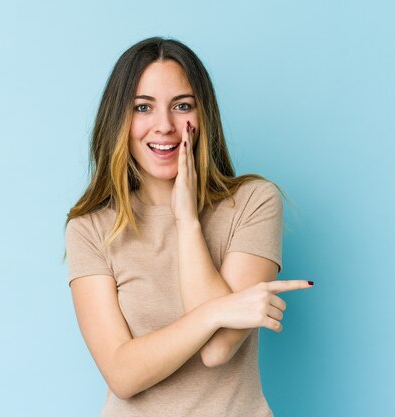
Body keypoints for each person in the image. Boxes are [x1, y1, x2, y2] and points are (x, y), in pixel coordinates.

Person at [63, 36, 313, 417]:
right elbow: (123, 374)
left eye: (182, 106)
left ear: (203, 116)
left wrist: (187, 221)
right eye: (142, 107)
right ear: (119, 120)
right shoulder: (90, 228)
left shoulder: (253, 202)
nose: (164, 126)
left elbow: (218, 350)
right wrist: (217, 312)